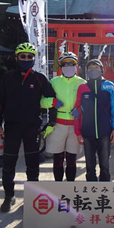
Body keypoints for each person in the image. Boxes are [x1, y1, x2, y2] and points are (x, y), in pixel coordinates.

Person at [0, 42, 56, 212]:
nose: (26, 59)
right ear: (16, 58)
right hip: (12, 127)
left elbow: (52, 99)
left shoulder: (39, 78)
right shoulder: (7, 77)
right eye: (23, 56)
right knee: (8, 163)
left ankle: (31, 199)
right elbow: (0, 103)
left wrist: (51, 122)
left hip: (32, 128)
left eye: (30, 56)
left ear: (34, 59)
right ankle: (9, 196)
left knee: (33, 164)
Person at [40, 52, 86, 181]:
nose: (68, 66)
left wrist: (80, 109)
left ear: (76, 65)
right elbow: (41, 102)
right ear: (60, 66)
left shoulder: (82, 83)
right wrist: (52, 102)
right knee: (58, 159)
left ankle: (70, 187)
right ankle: (58, 186)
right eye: (65, 64)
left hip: (75, 126)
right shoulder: (53, 82)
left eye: (72, 64)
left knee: (72, 160)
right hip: (57, 125)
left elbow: (90, 102)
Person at [73, 59, 114, 181]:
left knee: (104, 164)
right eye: (90, 68)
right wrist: (78, 132)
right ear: (86, 71)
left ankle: (104, 187)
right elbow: (77, 110)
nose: (93, 70)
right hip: (87, 132)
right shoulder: (82, 87)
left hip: (105, 131)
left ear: (102, 70)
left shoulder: (110, 86)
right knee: (89, 164)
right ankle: (91, 188)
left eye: (96, 67)